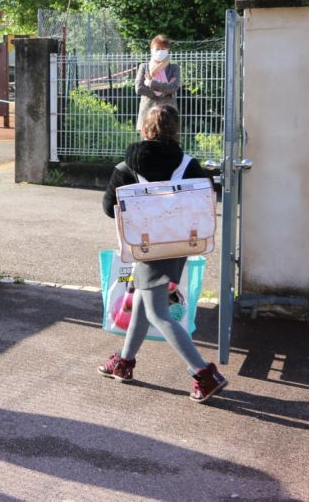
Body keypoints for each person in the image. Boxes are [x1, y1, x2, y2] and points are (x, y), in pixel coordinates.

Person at [98, 104, 228, 403]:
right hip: (178, 245)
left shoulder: (126, 168)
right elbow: (206, 198)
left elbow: (109, 208)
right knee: (144, 304)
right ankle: (123, 362)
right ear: (175, 131)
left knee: (158, 313)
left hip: (145, 246)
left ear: (144, 129)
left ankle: (204, 374)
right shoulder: (188, 165)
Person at [135, 34, 180, 135]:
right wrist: (161, 92)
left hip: (168, 113)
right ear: (151, 50)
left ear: (168, 51)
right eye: (157, 49)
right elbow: (139, 88)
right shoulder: (144, 67)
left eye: (163, 49)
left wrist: (151, 83)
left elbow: (173, 88)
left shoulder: (174, 68)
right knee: (148, 144)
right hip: (148, 111)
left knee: (168, 144)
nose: (160, 52)